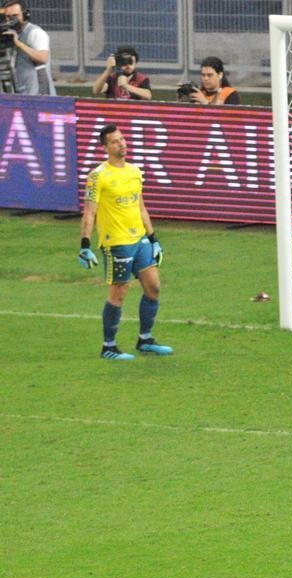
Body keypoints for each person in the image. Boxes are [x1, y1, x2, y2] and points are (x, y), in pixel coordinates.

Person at [78, 124, 173, 361]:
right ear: (105, 147)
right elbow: (90, 212)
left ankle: (145, 340)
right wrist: (85, 245)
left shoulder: (134, 171)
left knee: (154, 288)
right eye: (115, 141)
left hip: (140, 240)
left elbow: (140, 207)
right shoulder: (98, 176)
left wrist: (154, 239)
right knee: (118, 293)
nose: (122, 144)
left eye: (122, 139)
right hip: (116, 243)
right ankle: (108, 346)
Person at [1, 0, 55, 95]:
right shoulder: (9, 34)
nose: (11, 20)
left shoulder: (35, 33)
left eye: (15, 16)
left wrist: (19, 44)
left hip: (39, 93)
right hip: (20, 92)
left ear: (25, 15)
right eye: (8, 17)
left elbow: (43, 58)